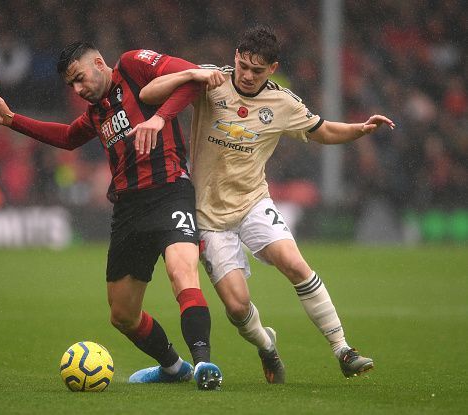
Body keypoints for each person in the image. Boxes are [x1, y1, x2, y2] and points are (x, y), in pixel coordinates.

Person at [139, 25, 396, 383]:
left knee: (294, 262)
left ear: (272, 69)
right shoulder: (211, 83)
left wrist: (360, 129)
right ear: (235, 58)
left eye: (256, 70)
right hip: (209, 216)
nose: (246, 75)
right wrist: (192, 73)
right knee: (236, 306)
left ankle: (343, 349)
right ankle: (266, 344)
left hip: (253, 202)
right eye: (242, 65)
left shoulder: (283, 103)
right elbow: (149, 93)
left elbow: (322, 130)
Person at [0, 42, 223, 390]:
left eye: (80, 78)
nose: (78, 90)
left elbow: (193, 78)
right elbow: (66, 137)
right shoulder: (97, 114)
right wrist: (12, 120)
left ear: (98, 63)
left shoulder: (134, 66)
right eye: (71, 86)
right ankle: (173, 367)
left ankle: (204, 365)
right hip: (128, 210)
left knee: (182, 272)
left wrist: (159, 117)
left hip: (170, 190)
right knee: (122, 315)